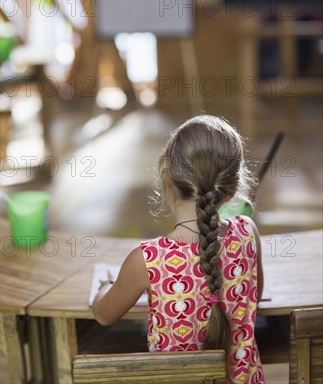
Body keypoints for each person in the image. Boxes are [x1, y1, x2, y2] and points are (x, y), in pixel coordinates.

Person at [92, 115, 264, 384]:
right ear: (231, 191)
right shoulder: (247, 232)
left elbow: (104, 315)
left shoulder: (148, 260)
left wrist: (104, 285)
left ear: (168, 181)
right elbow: (254, 297)